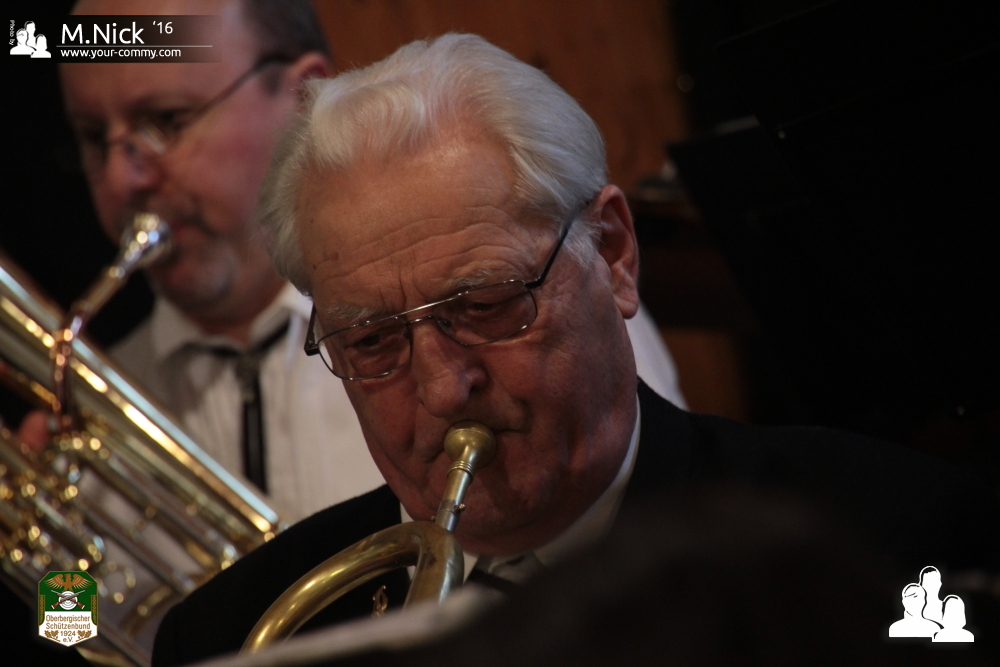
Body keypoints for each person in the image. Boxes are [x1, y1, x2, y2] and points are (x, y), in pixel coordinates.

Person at [150, 33, 999, 667]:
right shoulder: (232, 632)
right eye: (372, 340)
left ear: (615, 254)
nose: (443, 388)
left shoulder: (890, 542)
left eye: (486, 304)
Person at [18, 0, 685, 523]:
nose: (122, 178)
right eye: (93, 138)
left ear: (301, 95)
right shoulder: (86, 412)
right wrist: (62, 588)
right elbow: (69, 632)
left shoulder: (548, 294)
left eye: (167, 120)